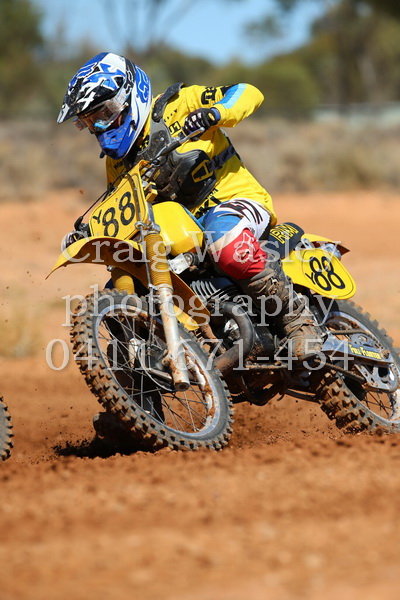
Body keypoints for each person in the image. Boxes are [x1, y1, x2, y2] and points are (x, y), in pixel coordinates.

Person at [58, 51, 322, 361]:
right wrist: (91, 232)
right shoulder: (118, 162)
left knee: (224, 241)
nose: (100, 126)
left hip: (234, 202)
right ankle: (143, 381)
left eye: (104, 113)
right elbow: (123, 209)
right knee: (125, 281)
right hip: (181, 232)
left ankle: (298, 322)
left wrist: (216, 113)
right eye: (90, 121)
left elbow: (248, 92)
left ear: (130, 95)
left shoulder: (178, 105)